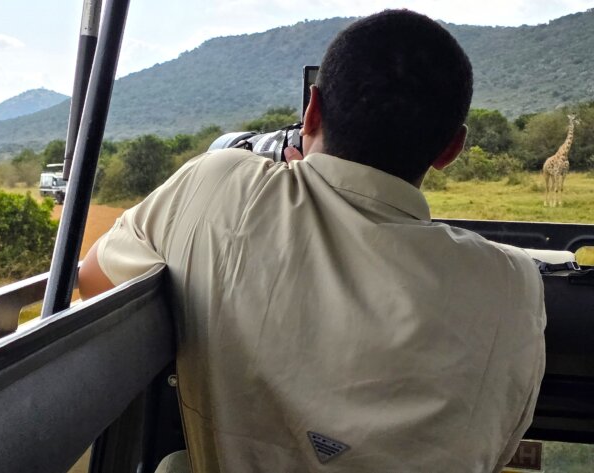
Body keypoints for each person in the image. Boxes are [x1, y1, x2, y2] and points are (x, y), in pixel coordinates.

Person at [77, 9, 546, 473]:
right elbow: (499, 444)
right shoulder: (513, 284)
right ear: (451, 149)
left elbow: (96, 277)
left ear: (312, 110)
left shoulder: (221, 185)